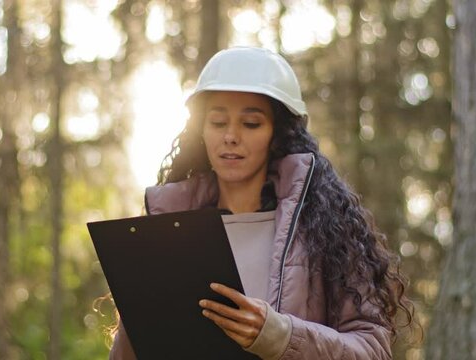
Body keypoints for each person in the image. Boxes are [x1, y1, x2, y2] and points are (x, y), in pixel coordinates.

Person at [109, 47, 414, 359]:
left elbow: (372, 350)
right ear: (201, 131)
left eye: (251, 123)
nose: (230, 136)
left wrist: (283, 337)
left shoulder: (324, 231)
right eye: (217, 122)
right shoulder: (165, 230)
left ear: (278, 134)